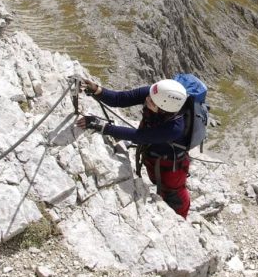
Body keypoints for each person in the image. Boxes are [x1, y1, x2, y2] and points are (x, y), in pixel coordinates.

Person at [76, 78, 192, 218]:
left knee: (173, 194)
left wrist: (102, 126)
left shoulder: (174, 128)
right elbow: (120, 99)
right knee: (159, 185)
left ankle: (180, 219)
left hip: (172, 166)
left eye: (151, 101)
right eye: (149, 96)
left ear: (162, 109)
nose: (147, 98)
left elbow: (139, 136)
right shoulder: (155, 94)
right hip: (152, 154)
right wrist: (97, 90)